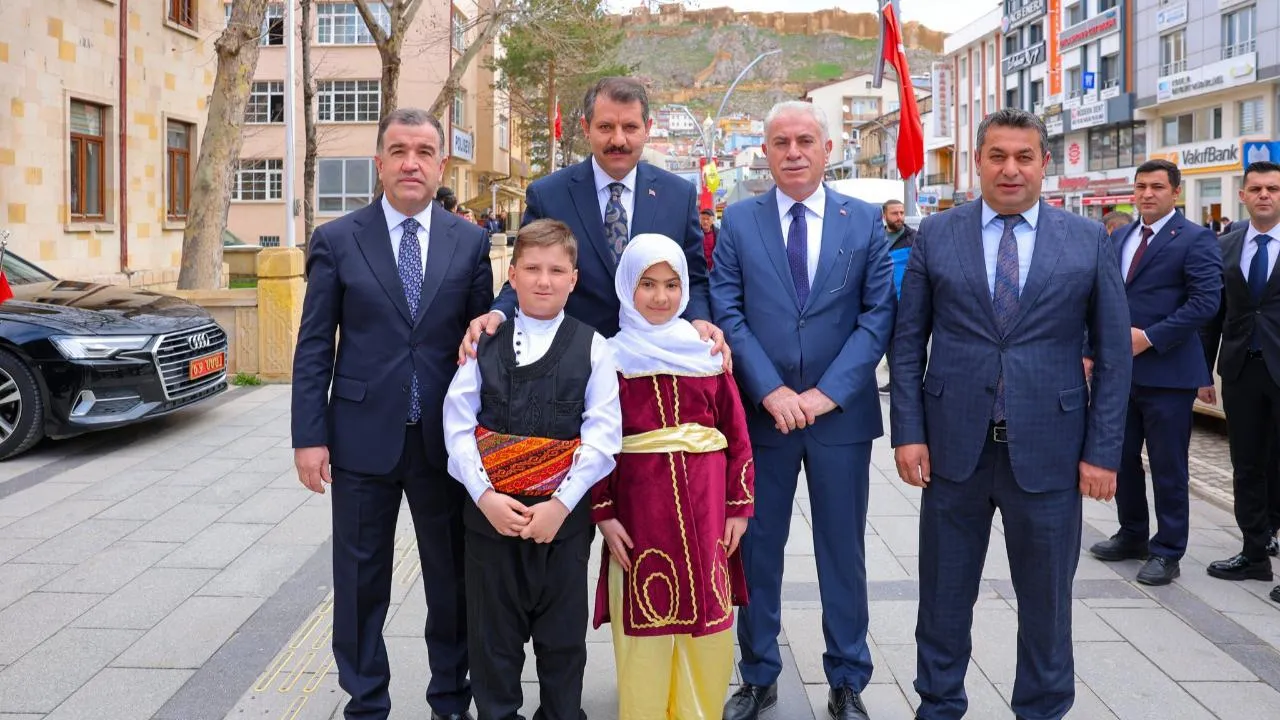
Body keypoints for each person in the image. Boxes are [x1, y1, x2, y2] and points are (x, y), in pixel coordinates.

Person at [890, 108, 1131, 720]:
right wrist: (908, 433)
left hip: (1051, 452)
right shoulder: (936, 235)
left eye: (1024, 156)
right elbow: (908, 341)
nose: (1010, 169)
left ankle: (1042, 709)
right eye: (997, 155)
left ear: (1044, 163)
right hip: (953, 452)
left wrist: (1102, 453)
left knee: (1047, 604)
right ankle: (938, 705)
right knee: (943, 599)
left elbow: (1112, 355)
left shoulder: (1087, 240)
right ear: (977, 161)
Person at [291, 108, 491, 720]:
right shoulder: (337, 239)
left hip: (445, 442)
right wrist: (308, 436)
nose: (411, 163)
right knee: (359, 581)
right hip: (360, 439)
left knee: (451, 579)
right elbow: (315, 345)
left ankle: (450, 697)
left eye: (424, 152)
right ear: (379, 164)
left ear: (441, 165)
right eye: (399, 151)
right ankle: (365, 700)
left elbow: (483, 345)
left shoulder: (469, 241)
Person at [712, 100, 896, 720]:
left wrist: (826, 393)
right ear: (764, 152)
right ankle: (758, 674)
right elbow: (727, 309)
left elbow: (878, 316)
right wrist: (769, 390)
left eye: (805, 141)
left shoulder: (863, 221)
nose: (793, 152)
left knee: (842, 551)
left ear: (827, 149)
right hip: (761, 419)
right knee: (756, 549)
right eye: (781, 142)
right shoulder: (739, 221)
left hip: (839, 419)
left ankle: (847, 679)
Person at [442, 218, 622, 720]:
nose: (544, 281)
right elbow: (457, 425)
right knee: (492, 642)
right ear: (513, 275)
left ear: (574, 279)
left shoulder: (594, 347)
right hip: (490, 522)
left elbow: (602, 437)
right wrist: (484, 497)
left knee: (563, 642)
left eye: (556, 270)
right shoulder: (483, 343)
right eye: (532, 269)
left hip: (561, 526)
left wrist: (560, 506)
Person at [591, 233, 755, 720]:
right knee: (645, 631)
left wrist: (738, 509)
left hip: (707, 515)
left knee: (709, 630)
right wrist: (604, 513)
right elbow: (597, 442)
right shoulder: (610, 358)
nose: (660, 297)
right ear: (627, 287)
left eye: (671, 284)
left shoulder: (706, 355)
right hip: (640, 514)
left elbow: (737, 435)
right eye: (647, 284)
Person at [459, 76, 728, 358]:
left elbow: (694, 279)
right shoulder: (549, 195)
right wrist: (498, 314)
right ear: (586, 128)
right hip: (572, 362)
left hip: (655, 362)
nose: (618, 140)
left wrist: (700, 320)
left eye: (630, 127)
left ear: (647, 129)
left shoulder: (678, 195)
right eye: (605, 127)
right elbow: (527, 272)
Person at [1087, 160, 1222, 585]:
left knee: (1168, 466)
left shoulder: (1196, 239)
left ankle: (1168, 550)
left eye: (1157, 187)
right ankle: (1132, 534)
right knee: (1121, 458)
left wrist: (1149, 337)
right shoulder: (1120, 236)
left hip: (1168, 373)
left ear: (1175, 192)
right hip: (1119, 374)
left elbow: (1205, 303)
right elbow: (1100, 298)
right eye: (1141, 186)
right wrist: (1090, 349)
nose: (1147, 194)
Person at [1200, 160, 1280, 598]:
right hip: (1240, 371)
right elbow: (1214, 313)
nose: (1264, 195)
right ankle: (1254, 555)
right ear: (1243, 195)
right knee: (1246, 464)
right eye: (1257, 189)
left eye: (1273, 188)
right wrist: (1202, 370)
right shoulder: (1225, 245)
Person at [881, 198, 917, 394]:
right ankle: (894, 381)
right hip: (883, 301)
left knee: (904, 346)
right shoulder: (877, 238)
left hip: (906, 302)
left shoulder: (914, 238)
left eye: (902, 213)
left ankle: (904, 384)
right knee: (888, 344)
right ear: (884, 215)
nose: (899, 217)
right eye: (894, 213)